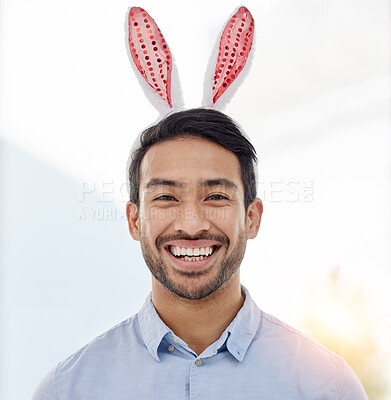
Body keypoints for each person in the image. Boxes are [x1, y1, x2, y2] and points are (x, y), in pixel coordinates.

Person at [33, 108, 368, 399]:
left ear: (251, 218)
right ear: (135, 221)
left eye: (216, 196)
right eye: (165, 197)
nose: (191, 225)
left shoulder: (328, 388)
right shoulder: (67, 391)